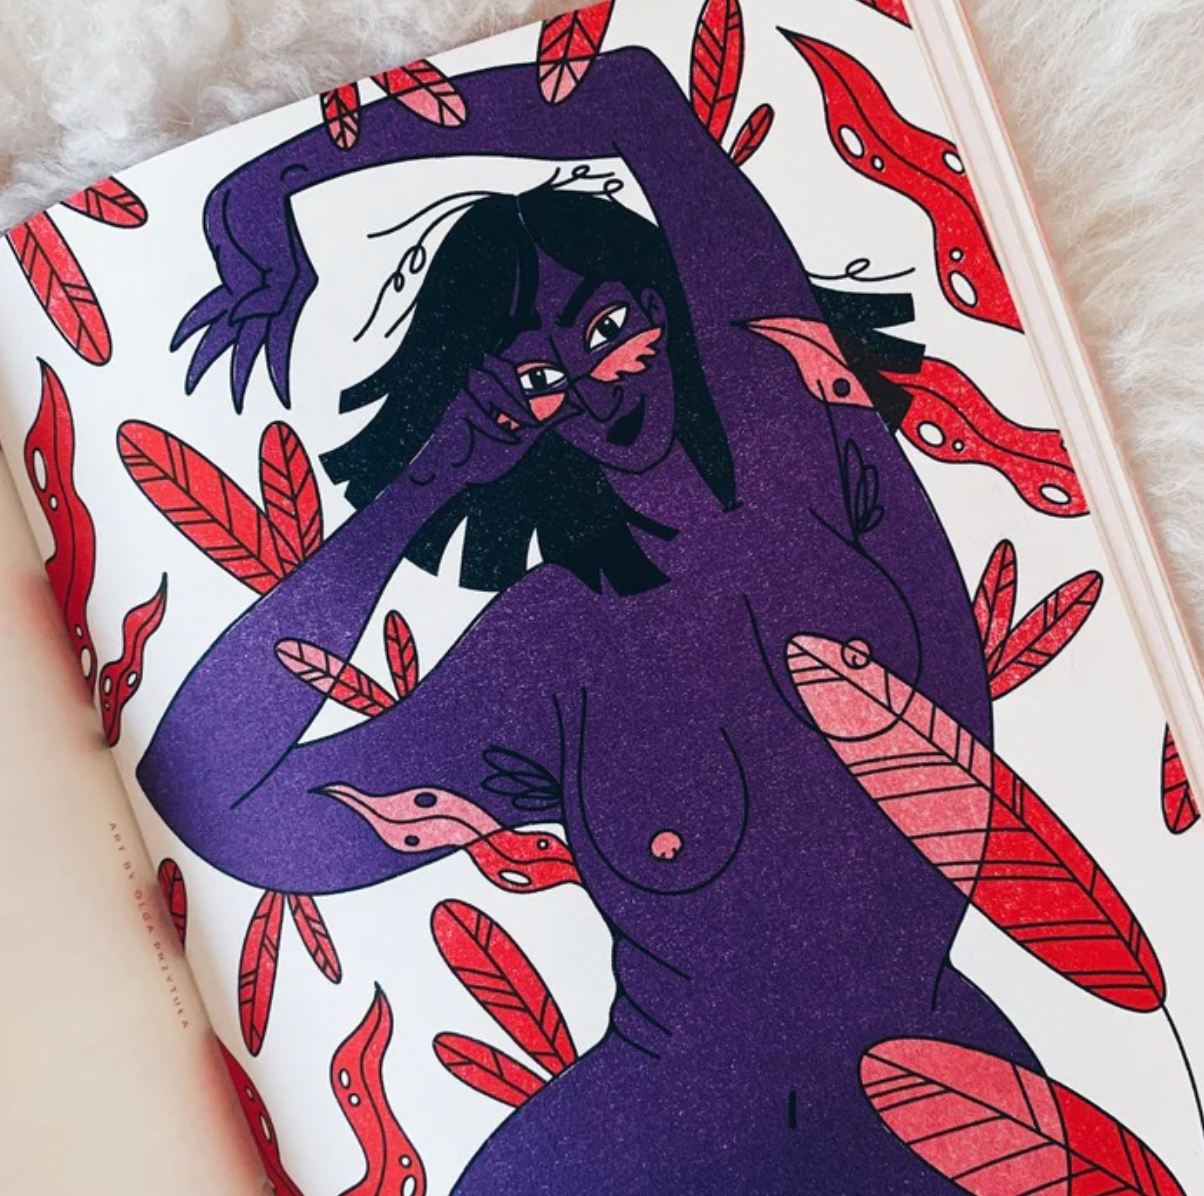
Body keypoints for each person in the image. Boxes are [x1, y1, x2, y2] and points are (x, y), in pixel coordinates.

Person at [146, 46, 1037, 1196]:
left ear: (662, 299)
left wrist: (277, 179)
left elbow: (629, 97)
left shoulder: (801, 435)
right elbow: (218, 801)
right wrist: (417, 491)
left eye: (607, 323)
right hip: (650, 1138)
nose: (597, 384)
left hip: (949, 1105)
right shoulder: (551, 650)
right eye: (537, 378)